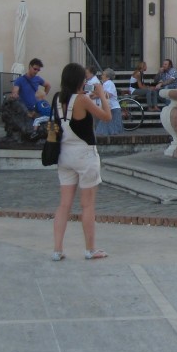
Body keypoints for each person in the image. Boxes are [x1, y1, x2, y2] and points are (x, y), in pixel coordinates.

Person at [51, 62, 113, 261]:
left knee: (64, 204)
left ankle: (57, 250)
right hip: (85, 155)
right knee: (87, 205)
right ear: (79, 80)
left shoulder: (57, 98)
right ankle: (90, 249)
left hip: (64, 154)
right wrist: (102, 94)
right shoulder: (83, 100)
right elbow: (107, 116)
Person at [95, 68, 123, 136]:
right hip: (111, 108)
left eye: (103, 75)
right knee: (110, 129)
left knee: (106, 129)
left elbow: (108, 95)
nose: (102, 76)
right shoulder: (106, 84)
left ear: (107, 76)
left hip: (112, 108)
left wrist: (98, 93)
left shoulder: (108, 83)